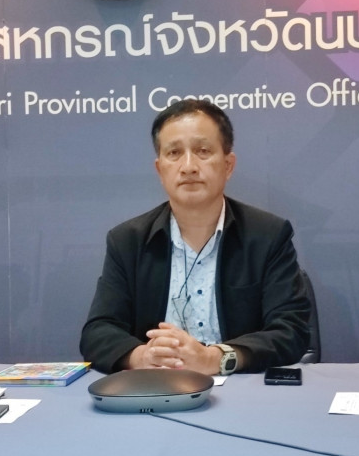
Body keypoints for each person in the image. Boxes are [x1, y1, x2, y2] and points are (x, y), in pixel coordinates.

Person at [80, 99, 310, 375]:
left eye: (203, 151)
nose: (188, 166)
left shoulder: (268, 236)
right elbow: (98, 332)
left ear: (228, 165)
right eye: (174, 153)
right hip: (155, 388)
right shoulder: (128, 241)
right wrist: (142, 357)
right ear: (160, 169)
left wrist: (215, 358)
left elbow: (290, 331)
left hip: (242, 389)